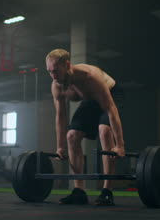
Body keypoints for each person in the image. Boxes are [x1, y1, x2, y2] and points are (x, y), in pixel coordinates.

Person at [45, 49, 125, 206]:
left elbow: (111, 110)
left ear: (67, 65)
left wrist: (120, 145)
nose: (53, 76)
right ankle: (79, 191)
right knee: (72, 136)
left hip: (111, 94)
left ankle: (107, 191)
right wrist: (60, 147)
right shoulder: (57, 85)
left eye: (56, 71)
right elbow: (60, 116)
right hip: (90, 100)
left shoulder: (90, 77)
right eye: (49, 72)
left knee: (104, 131)